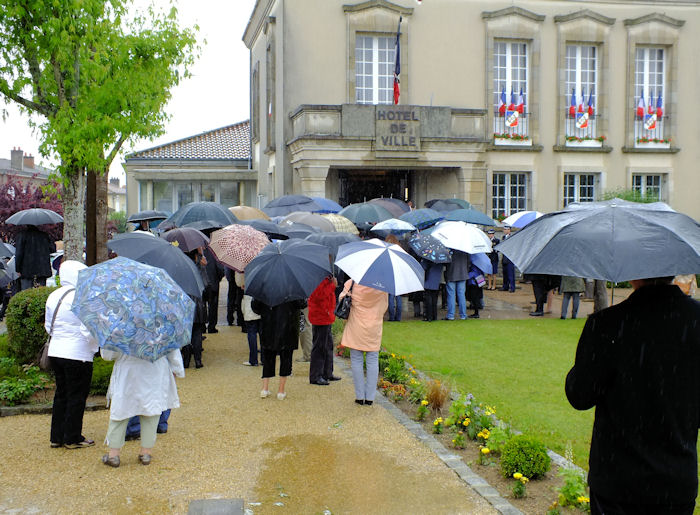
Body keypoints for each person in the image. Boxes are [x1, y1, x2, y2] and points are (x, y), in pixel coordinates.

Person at [565, 276, 700, 513]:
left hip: (617, 482)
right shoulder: (696, 320)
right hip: (675, 479)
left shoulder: (608, 323)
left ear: (633, 276)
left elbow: (579, 394)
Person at [100, 347, 185, 467]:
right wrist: (177, 368)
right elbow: (171, 347)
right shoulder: (161, 328)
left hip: (128, 371)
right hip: (155, 369)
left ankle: (114, 455)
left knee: (121, 410)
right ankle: (146, 453)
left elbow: (108, 354)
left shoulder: (121, 329)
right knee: (151, 410)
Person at [45, 260, 97, 449]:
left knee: (61, 393)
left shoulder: (53, 296)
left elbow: (48, 325)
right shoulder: (82, 296)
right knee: (77, 395)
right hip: (77, 352)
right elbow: (87, 329)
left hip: (56, 350)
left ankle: (56, 436)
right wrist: (94, 347)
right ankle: (72, 437)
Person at [339, 279, 388, 405]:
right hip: (374, 326)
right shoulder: (383, 285)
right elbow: (384, 307)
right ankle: (370, 397)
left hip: (356, 324)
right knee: (372, 360)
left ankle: (360, 396)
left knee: (356, 360)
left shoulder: (353, 282)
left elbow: (341, 299)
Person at [252, 297, 306, 400]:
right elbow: (302, 304)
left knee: (268, 357)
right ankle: (281, 391)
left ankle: (264, 388)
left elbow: (255, 307)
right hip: (288, 326)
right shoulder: (293, 287)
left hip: (268, 325)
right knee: (286, 358)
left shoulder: (265, 286)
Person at [308, 273, 340, 385]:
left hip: (326, 315)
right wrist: (332, 286)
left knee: (327, 346)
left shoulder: (326, 276)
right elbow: (318, 295)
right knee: (319, 347)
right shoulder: (317, 277)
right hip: (320, 316)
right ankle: (316, 376)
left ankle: (327, 373)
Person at [15, 224, 55, 291]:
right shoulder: (44, 235)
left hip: (26, 269)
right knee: (40, 292)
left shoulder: (22, 235)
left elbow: (19, 253)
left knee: (26, 293)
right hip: (42, 269)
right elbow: (53, 249)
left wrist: (18, 269)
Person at [237, 272, 261, 367]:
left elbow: (239, 283)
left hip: (250, 301)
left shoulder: (244, 267)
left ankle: (253, 359)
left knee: (251, 332)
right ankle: (264, 358)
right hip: (262, 302)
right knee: (262, 332)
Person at [202, 246, 224, 334]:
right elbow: (220, 268)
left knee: (202, 306)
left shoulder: (197, 251)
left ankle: (202, 326)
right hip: (213, 282)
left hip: (201, 282)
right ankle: (211, 327)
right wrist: (218, 278)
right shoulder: (214, 251)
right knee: (213, 306)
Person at [444, 249, 469, 320]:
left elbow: (445, 262)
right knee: (461, 295)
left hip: (451, 274)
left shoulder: (449, 250)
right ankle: (463, 315)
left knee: (451, 295)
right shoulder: (465, 250)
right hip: (462, 274)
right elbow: (468, 263)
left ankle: (451, 315)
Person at [385, 235, 402, 321]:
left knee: (391, 297)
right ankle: (398, 317)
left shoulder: (386, 250)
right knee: (398, 296)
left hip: (390, 275)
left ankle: (391, 317)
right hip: (399, 275)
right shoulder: (399, 250)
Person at [499, 225, 515, 292]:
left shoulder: (512, 237)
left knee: (510, 274)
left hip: (510, 258)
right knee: (505, 273)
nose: (505, 231)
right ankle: (505, 286)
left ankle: (512, 287)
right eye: (504, 229)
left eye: (506, 229)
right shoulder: (503, 237)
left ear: (509, 230)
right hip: (504, 257)